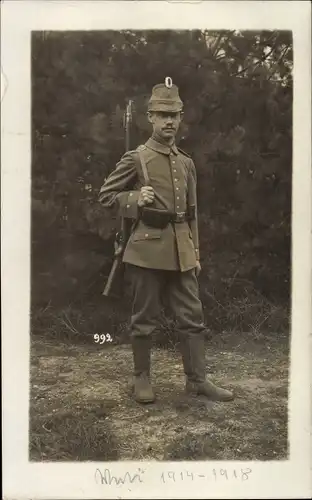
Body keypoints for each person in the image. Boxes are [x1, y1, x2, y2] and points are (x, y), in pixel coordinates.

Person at [99, 77, 234, 404]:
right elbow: (106, 195)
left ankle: (197, 380)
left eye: (174, 115)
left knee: (192, 317)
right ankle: (141, 379)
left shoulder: (186, 162)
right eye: (162, 115)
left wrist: (196, 252)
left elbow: (192, 214)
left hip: (182, 250)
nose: (170, 121)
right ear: (150, 118)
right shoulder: (137, 158)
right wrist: (134, 197)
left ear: (180, 118)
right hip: (146, 250)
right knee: (144, 318)